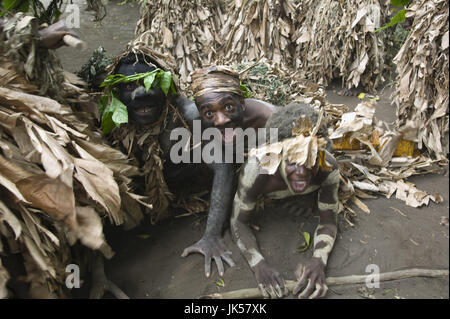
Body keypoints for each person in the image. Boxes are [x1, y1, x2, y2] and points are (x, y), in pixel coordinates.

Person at [230, 103, 340, 299]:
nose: (301, 173)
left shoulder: (327, 166)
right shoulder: (258, 170)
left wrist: (319, 261)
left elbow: (329, 222)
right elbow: (238, 221)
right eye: (292, 162)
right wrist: (258, 264)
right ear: (277, 156)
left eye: (309, 160)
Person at [180, 66, 276, 278]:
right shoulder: (195, 117)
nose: (221, 119)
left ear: (242, 103)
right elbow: (179, 100)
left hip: (264, 152)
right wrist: (211, 235)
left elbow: (311, 146)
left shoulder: (269, 119)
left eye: (229, 107)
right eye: (209, 112)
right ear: (201, 112)